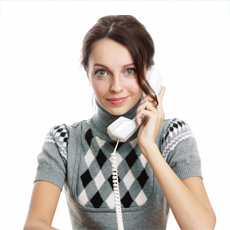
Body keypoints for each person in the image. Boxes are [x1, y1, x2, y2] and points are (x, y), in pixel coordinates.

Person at [24, 15, 216, 230]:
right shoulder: (64, 140)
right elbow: (34, 225)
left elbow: (201, 227)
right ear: (88, 73)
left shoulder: (172, 134)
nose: (116, 86)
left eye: (129, 71)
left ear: (148, 73)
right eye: (102, 72)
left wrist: (150, 147)